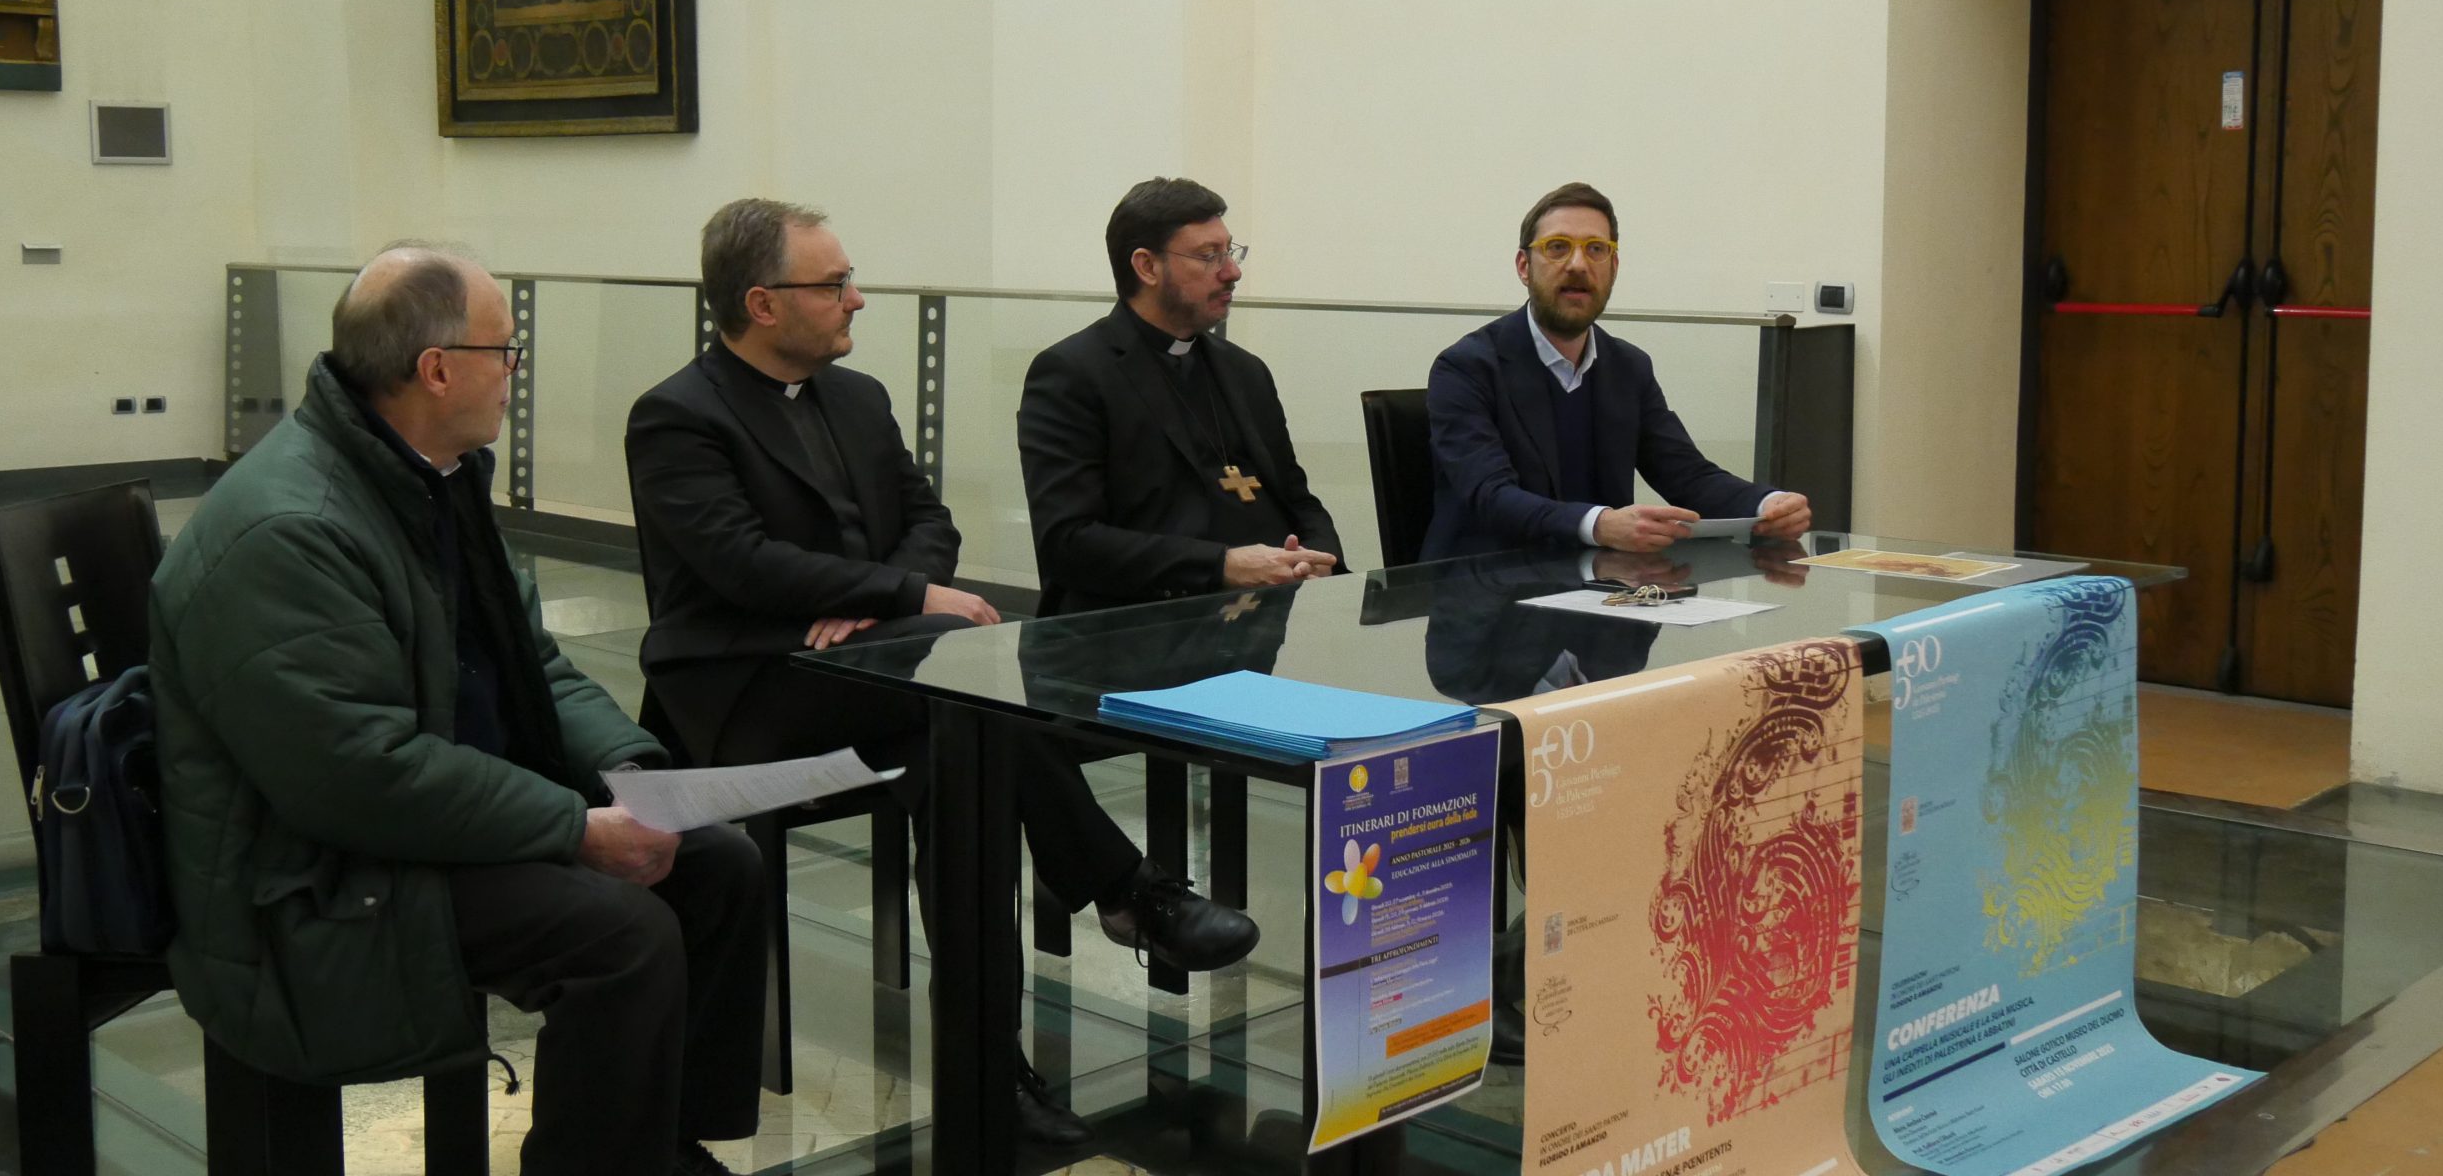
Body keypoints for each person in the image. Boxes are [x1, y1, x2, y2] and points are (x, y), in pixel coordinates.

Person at [624, 197, 1260, 1146]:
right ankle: (1128, 893)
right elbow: (740, 564)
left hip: (879, 669)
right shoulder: (678, 415)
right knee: (972, 711)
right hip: (746, 687)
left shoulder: (858, 397)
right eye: (835, 283)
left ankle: (990, 1065)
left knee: (961, 760)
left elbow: (932, 521)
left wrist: (888, 601)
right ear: (762, 303)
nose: (857, 298)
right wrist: (901, 595)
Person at [152, 244, 764, 1176]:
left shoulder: (427, 477)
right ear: (437, 369)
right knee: (620, 934)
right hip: (315, 875)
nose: (516, 371)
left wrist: (637, 776)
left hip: (418, 823)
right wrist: (572, 827)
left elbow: (532, 667)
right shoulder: (294, 527)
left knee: (719, 864)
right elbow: (358, 775)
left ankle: (665, 1148)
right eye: (505, 350)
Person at [1421, 181, 1815, 562]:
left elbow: (1686, 475)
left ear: (1613, 266)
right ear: (1524, 266)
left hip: (1598, 586)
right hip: (1484, 590)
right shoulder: (1465, 368)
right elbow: (1491, 496)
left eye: (1596, 249)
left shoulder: (1628, 367)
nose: (1578, 264)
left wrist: (1767, 504)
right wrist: (1600, 525)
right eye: (1557, 248)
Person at [1018, 177, 1344, 615]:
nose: (1232, 272)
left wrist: (1319, 558)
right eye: (1209, 256)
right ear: (1147, 267)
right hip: (1134, 629)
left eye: (1230, 252)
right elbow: (1068, 542)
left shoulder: (1246, 371)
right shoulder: (1072, 374)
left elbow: (1297, 499)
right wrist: (1223, 566)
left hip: (1260, 622)